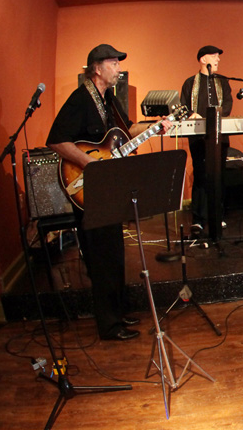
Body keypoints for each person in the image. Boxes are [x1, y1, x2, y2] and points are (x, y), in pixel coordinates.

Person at [47, 44, 171, 341]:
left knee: (113, 251)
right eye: (114, 63)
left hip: (108, 186)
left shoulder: (109, 100)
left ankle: (118, 312)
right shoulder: (80, 99)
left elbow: (128, 131)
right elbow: (56, 141)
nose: (119, 69)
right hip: (87, 186)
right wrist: (89, 163)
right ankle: (108, 325)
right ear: (97, 68)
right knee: (100, 256)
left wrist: (155, 126)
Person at [180, 46, 233, 237]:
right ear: (203, 59)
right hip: (197, 137)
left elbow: (227, 105)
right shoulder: (190, 83)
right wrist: (192, 114)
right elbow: (183, 106)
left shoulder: (223, 81)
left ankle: (218, 215)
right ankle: (198, 219)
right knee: (201, 174)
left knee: (218, 174)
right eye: (214, 56)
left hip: (220, 136)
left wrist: (216, 116)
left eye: (218, 56)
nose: (218, 59)